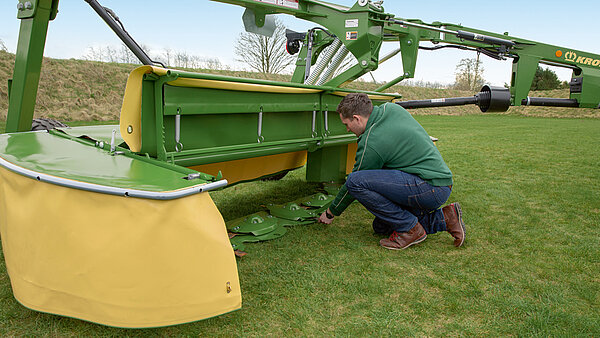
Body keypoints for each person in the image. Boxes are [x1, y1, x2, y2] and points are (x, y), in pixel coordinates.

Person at [318, 93, 465, 250]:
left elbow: (353, 185)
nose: (347, 129)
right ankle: (445, 218)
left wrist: (331, 212)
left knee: (355, 181)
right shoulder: (392, 108)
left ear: (357, 118)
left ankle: (410, 229)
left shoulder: (372, 141)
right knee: (381, 227)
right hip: (440, 184)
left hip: (428, 187)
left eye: (346, 124)